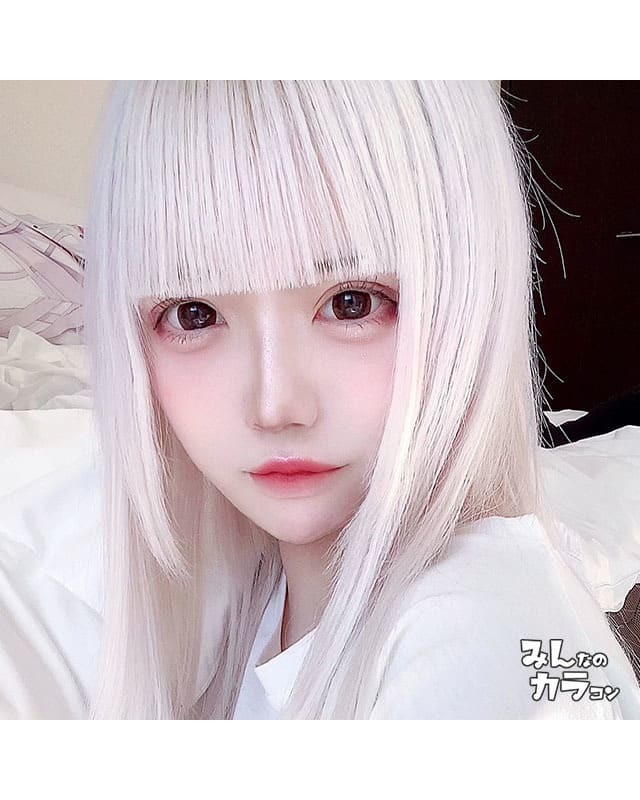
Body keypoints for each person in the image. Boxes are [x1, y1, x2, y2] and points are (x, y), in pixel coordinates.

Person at [83, 80, 640, 719]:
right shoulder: (247, 594)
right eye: (193, 313)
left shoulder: (485, 637)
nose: (275, 407)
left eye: (352, 303)